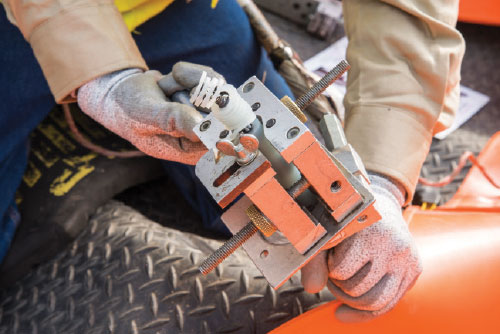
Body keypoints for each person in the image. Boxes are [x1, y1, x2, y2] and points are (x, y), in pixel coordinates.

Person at [0, 0, 464, 323]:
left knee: (282, 204)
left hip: (168, 8)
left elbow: (408, 14)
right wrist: (103, 81)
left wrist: (381, 181)